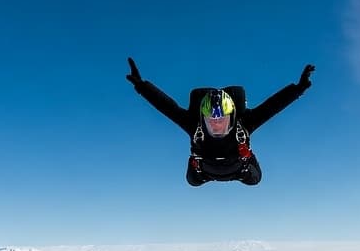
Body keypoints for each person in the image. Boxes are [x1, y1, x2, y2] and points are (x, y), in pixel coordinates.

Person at [126, 58, 315, 186]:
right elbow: (167, 107)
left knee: (255, 180)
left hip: (240, 170)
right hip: (204, 172)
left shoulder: (244, 125)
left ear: (232, 116)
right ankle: (203, 171)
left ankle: (235, 169)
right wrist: (141, 85)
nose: (216, 124)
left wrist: (299, 89)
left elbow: (272, 107)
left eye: (221, 119)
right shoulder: (196, 127)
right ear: (203, 118)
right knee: (192, 181)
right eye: (211, 120)